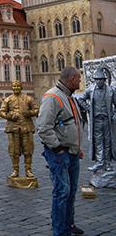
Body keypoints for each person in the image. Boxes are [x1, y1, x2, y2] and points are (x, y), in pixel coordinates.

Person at [37, 67, 85, 236]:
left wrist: (76, 148)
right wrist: (57, 148)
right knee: (62, 191)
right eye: (78, 80)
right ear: (71, 79)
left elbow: (73, 125)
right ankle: (60, 230)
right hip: (59, 154)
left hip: (71, 153)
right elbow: (43, 128)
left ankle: (68, 223)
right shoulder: (52, 97)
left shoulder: (68, 97)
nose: (80, 83)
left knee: (71, 190)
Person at [76, 68, 116, 172]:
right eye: (96, 79)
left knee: (107, 142)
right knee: (98, 142)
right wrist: (88, 108)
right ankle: (99, 162)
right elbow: (80, 99)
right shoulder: (90, 90)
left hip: (107, 121)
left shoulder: (111, 90)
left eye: (100, 79)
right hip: (97, 121)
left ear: (104, 80)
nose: (98, 81)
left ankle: (107, 163)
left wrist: (114, 114)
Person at [0, 81, 39, 178]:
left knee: (28, 149)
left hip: (26, 127)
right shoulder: (8, 99)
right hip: (13, 128)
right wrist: (9, 116)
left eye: (18, 86)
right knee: (14, 150)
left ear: (21, 87)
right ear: (12, 88)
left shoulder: (28, 98)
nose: (16, 88)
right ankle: (15, 170)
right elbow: (1, 112)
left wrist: (29, 113)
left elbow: (36, 109)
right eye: (14, 86)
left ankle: (28, 170)